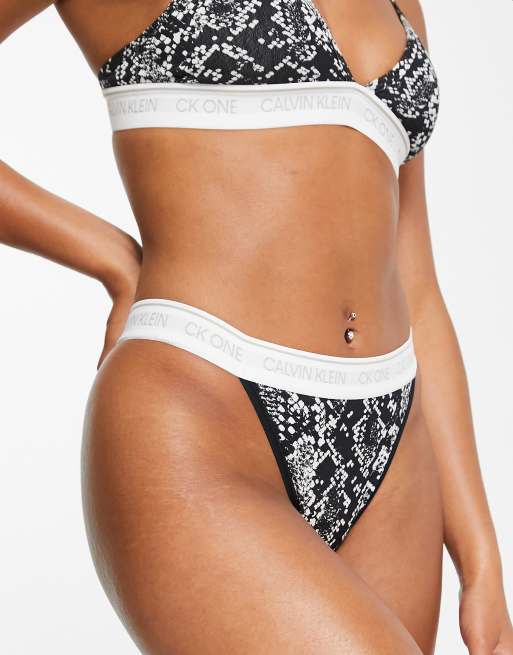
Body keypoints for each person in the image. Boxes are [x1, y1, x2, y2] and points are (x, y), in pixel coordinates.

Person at [1, 1, 512, 653]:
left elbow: (418, 286)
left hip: (392, 445)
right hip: (203, 404)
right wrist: (107, 255)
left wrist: (480, 560)